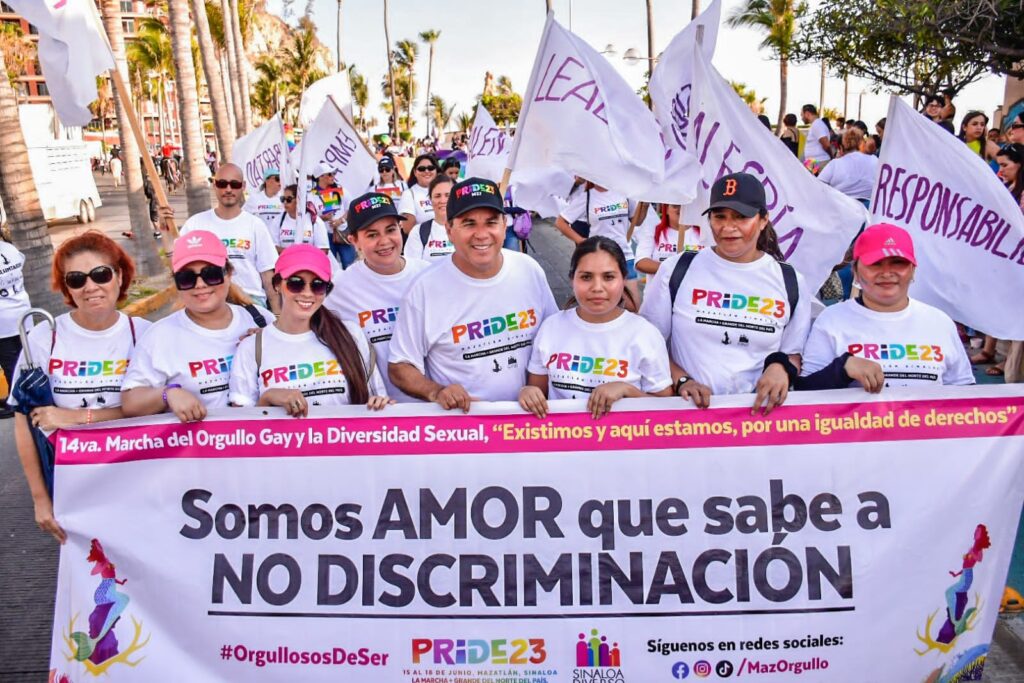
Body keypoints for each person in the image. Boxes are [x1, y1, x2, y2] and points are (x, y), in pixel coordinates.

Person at [12, 232, 151, 543]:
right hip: (71, 486)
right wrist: (40, 498)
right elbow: (23, 420)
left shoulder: (145, 335)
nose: (90, 287)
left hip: (138, 478)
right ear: (66, 288)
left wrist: (77, 418)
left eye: (100, 274)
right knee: (92, 574)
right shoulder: (41, 338)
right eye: (76, 279)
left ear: (119, 275)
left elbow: (158, 409)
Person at [639, 172, 812, 414]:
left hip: (758, 421)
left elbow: (794, 354)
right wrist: (681, 380)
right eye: (719, 217)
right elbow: (646, 344)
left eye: (741, 217)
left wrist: (781, 369)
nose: (729, 228)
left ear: (763, 220)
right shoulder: (677, 269)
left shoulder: (790, 281)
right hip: (688, 416)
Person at [389, 177, 559, 409]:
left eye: (490, 222)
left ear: (504, 224)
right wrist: (437, 392)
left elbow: (553, 340)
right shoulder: (424, 289)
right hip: (465, 433)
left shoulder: (529, 270)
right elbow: (400, 366)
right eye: (469, 224)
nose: (482, 234)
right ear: (449, 230)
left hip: (526, 426)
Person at [799, 224, 973, 390]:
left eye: (898, 262)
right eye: (875, 263)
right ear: (856, 272)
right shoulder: (831, 320)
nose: (887, 273)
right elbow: (804, 390)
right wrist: (843, 369)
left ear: (913, 270)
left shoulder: (939, 322)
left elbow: (965, 392)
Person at [121, 231, 273, 422]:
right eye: (187, 278)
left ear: (229, 273)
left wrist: (272, 345)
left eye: (211, 274)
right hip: (197, 449)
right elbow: (131, 402)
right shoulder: (160, 336)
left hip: (263, 443)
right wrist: (168, 394)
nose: (200, 285)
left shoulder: (261, 320)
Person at [519, 237, 672, 420]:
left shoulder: (645, 334)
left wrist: (627, 390)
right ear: (572, 279)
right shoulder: (551, 328)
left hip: (624, 444)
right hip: (562, 443)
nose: (597, 287)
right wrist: (528, 393)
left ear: (623, 280)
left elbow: (667, 409)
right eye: (586, 277)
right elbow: (538, 391)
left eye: (608, 277)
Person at [229, 245, 388, 415]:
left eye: (318, 285)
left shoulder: (350, 334)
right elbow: (242, 429)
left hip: (345, 439)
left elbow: (377, 399)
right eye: (296, 283)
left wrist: (381, 404)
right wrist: (267, 399)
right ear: (277, 285)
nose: (307, 293)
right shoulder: (252, 347)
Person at [326, 192, 429, 402]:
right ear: (354, 241)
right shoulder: (341, 287)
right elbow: (307, 324)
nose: (384, 241)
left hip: (436, 406)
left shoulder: (428, 275)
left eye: (390, 230)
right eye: (372, 235)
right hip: (380, 411)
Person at [170, 163, 279, 311]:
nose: (228, 189)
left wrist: (276, 316)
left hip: (251, 302)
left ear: (243, 186)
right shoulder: (195, 223)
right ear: (215, 185)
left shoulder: (255, 225)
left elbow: (267, 275)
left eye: (234, 184)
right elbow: (177, 264)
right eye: (222, 184)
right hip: (207, 300)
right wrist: (165, 232)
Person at [554, 180, 643, 304]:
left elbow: (637, 221)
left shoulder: (624, 193)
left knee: (632, 306)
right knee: (602, 303)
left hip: (625, 255)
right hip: (599, 258)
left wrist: (645, 203)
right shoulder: (587, 197)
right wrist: (581, 241)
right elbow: (560, 222)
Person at [0, 233, 30, 418]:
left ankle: (16, 403)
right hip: (22, 313)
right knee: (22, 360)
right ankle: (19, 397)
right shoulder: (10, 249)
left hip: (3, 321)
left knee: (11, 363)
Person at [634, 204, 701, 276]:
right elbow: (641, 262)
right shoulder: (653, 231)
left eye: (686, 206)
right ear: (666, 210)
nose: (681, 209)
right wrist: (672, 269)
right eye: (676, 205)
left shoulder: (704, 233)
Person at [309, 162, 355, 269]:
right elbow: (309, 217)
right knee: (330, 267)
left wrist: (341, 220)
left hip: (343, 232)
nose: (333, 176)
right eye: (329, 174)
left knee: (349, 264)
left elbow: (351, 207)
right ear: (320, 177)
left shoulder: (340, 189)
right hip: (324, 236)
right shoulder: (312, 195)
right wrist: (322, 218)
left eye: (333, 174)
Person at [817, 128, 878, 206]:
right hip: (869, 211)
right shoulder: (875, 160)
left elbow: (818, 185)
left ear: (842, 145)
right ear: (861, 142)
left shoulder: (835, 164)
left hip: (841, 210)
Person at [403, 174, 455, 263]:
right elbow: (413, 268)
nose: (443, 200)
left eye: (448, 195)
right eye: (437, 196)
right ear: (430, 199)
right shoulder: (419, 231)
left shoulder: (467, 228)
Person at [274, 183, 330, 253]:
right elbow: (273, 247)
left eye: (289, 199)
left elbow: (323, 250)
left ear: (299, 200)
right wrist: (294, 253)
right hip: (285, 262)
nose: (285, 202)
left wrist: (302, 256)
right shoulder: (278, 220)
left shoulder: (315, 221)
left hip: (309, 262)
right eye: (283, 199)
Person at [398, 153, 439, 233]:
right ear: (415, 172)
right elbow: (408, 230)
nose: (427, 171)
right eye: (421, 169)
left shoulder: (445, 189)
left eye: (430, 168)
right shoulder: (408, 194)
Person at [242, 167, 284, 237]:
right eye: (277, 179)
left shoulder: (284, 198)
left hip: (278, 242)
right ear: (266, 181)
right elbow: (242, 217)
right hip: (260, 240)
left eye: (281, 179)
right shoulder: (254, 198)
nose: (280, 183)